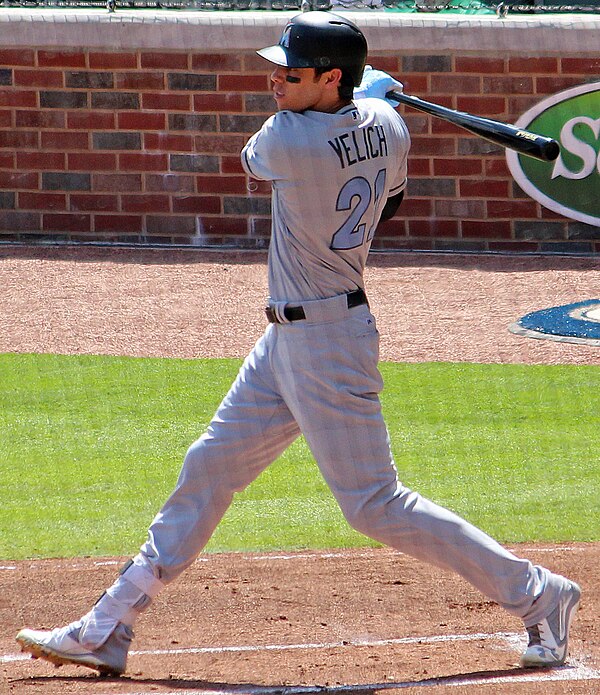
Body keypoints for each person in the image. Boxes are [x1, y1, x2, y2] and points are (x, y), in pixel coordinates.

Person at [16, 10, 580, 678]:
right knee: (210, 466)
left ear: (332, 77)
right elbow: (388, 203)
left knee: (374, 503)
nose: (275, 81)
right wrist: (367, 112)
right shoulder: (391, 126)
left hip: (328, 343)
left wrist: (359, 108)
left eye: (292, 72)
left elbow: (257, 158)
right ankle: (109, 625)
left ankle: (539, 591)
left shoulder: (287, 141)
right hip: (289, 338)